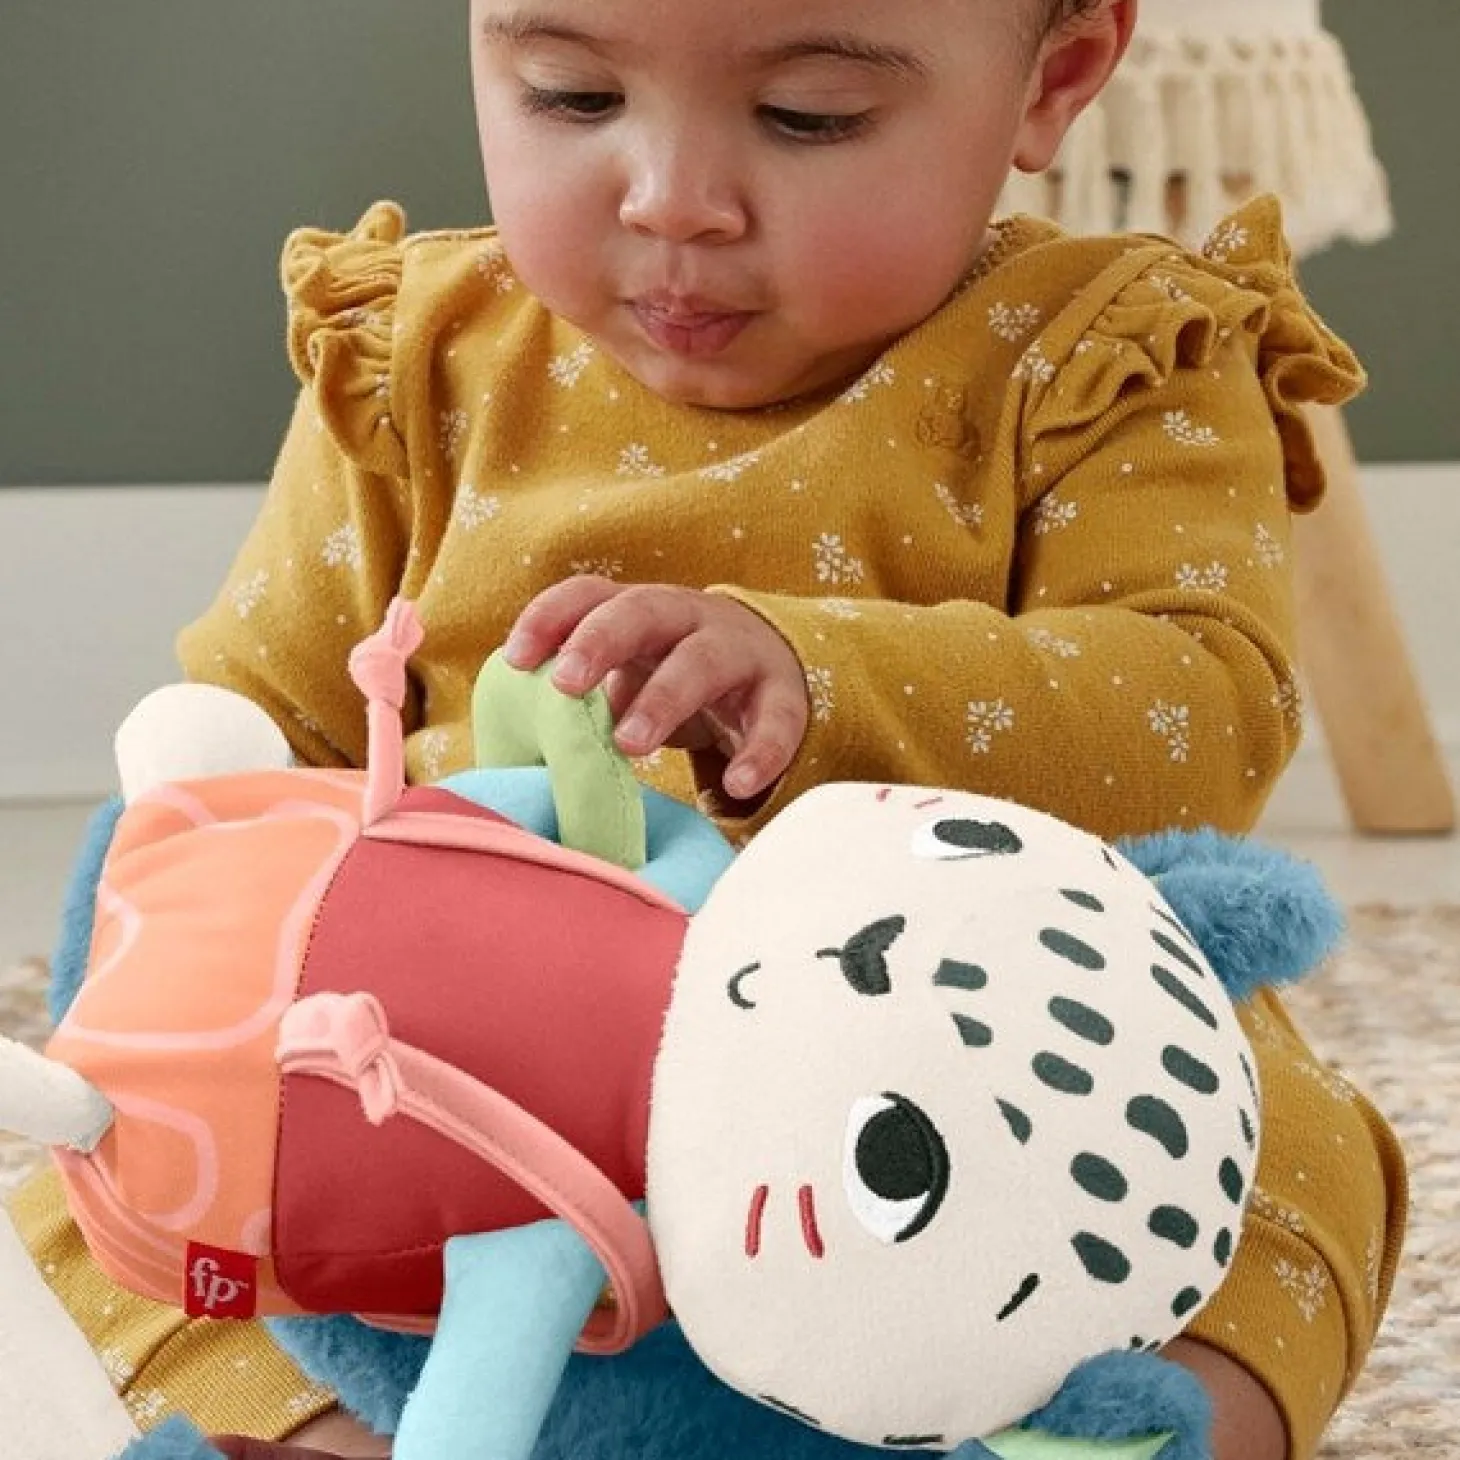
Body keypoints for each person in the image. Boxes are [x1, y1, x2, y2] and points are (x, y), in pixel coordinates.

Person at [8, 1, 1406, 1457]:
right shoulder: (415, 358)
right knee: (99, 1193)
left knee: (1283, 1150)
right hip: (452, 1127)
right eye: (571, 95)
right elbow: (251, 751)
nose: (673, 201)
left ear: (1052, 79)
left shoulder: (1108, 355)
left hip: (956, 1111)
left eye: (809, 117)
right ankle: (342, 1436)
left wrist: (820, 674)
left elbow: (1196, 714)